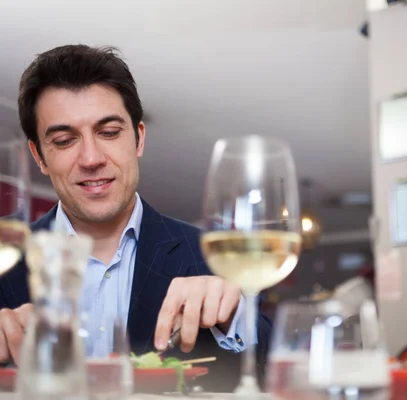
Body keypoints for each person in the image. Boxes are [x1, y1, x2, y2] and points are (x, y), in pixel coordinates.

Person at [0, 44, 271, 391]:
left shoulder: (209, 256)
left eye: (109, 133)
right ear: (39, 156)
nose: (91, 158)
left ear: (138, 138)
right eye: (66, 140)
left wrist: (235, 317)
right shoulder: (7, 260)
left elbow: (276, 371)